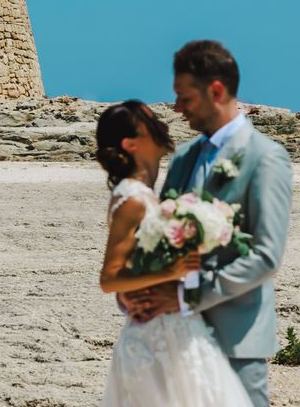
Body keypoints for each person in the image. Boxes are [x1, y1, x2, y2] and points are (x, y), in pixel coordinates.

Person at [120, 40, 293, 407]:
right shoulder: (183, 157)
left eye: (185, 98)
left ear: (215, 91)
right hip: (174, 338)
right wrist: (138, 288)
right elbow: (159, 232)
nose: (178, 108)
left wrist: (187, 296)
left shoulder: (265, 158)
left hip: (236, 338)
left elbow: (266, 256)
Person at [96, 100, 253, 406]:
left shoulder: (145, 195)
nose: (162, 125)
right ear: (130, 144)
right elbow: (110, 278)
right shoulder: (132, 198)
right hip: (155, 338)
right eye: (150, 123)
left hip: (173, 325)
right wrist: (170, 272)